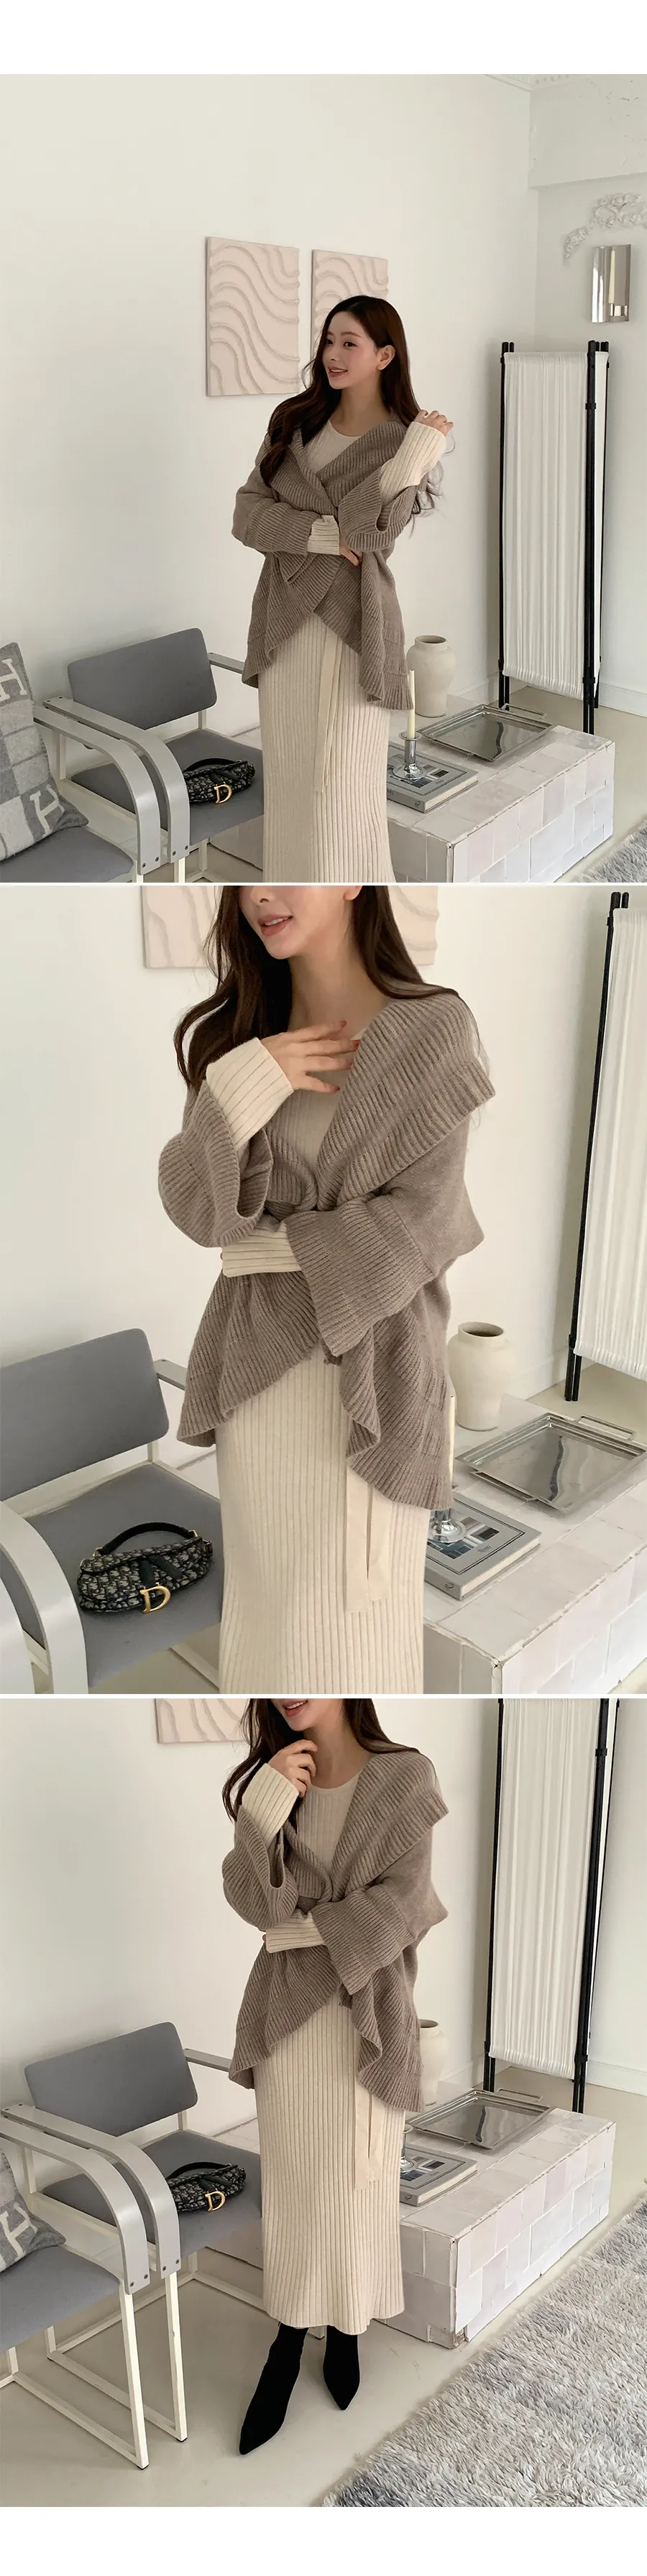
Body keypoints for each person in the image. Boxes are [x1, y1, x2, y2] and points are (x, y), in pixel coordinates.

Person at [158, 885, 493, 1693]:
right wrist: (242, 1087)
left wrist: (272, 1249)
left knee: (356, 1632)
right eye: (250, 880)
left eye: (292, 871)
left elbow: (425, 1223)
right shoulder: (236, 1041)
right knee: (270, 1624)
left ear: (351, 876)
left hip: (376, 1380)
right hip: (259, 1385)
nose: (262, 895)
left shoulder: (433, 1030)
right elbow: (198, 1210)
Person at [221, 1693, 447, 2452]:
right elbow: (259, 1909)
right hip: (288, 2022)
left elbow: (405, 1905)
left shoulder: (404, 1776)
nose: (289, 1687)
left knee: (358, 2185)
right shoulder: (273, 1778)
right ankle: (288, 2342)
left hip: (367, 2023)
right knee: (296, 2190)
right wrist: (258, 1818)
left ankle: (347, 2328)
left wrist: (309, 1928)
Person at [233, 296, 453, 881]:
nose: (332, 354)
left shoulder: (401, 441)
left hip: (354, 625)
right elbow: (247, 515)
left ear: (385, 356)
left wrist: (414, 458)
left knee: (341, 793)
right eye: (329, 340)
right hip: (284, 621)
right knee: (289, 784)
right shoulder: (293, 422)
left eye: (349, 343)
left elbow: (372, 531)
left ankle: (354, 905)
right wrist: (319, 535)